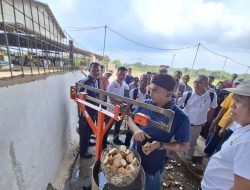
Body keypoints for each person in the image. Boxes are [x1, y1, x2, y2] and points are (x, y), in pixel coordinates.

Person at [128, 74, 191, 190]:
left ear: (169, 93)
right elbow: (130, 118)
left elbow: (184, 146)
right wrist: (137, 130)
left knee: (148, 184)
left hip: (153, 163)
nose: (150, 92)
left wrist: (160, 145)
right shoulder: (146, 104)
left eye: (154, 90)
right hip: (134, 155)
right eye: (150, 89)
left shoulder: (180, 117)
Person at [201, 80, 250, 190]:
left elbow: (242, 187)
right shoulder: (242, 127)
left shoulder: (247, 142)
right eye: (233, 99)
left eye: (238, 101)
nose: (232, 105)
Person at [178, 75, 217, 159]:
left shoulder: (212, 95)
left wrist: (205, 119)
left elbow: (213, 107)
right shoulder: (187, 94)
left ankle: (187, 161)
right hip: (182, 124)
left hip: (196, 127)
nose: (196, 84)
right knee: (176, 141)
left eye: (200, 82)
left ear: (206, 84)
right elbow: (176, 105)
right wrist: (177, 96)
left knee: (191, 145)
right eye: (195, 82)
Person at [204, 79, 243, 157]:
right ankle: (207, 154)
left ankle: (215, 156)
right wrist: (216, 119)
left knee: (224, 144)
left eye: (239, 84)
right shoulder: (231, 95)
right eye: (236, 84)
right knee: (215, 139)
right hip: (225, 121)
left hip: (234, 127)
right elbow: (224, 108)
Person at [78, 62, 100, 158]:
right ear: (89, 70)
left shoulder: (96, 81)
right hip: (85, 112)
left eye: (98, 70)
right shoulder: (84, 82)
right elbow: (77, 97)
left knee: (90, 129)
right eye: (93, 70)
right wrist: (83, 111)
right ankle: (83, 152)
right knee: (84, 131)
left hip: (93, 110)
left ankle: (88, 142)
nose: (96, 72)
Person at [106, 67, 129, 145]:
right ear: (117, 74)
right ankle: (103, 142)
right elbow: (112, 100)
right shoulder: (111, 85)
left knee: (118, 127)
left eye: (123, 74)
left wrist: (124, 105)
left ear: (126, 75)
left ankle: (116, 139)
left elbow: (126, 98)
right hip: (111, 111)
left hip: (120, 111)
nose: (122, 76)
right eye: (120, 74)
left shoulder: (126, 86)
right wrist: (123, 103)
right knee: (107, 128)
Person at [125, 74, 149, 147]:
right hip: (133, 115)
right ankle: (126, 148)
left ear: (148, 83)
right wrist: (128, 116)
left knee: (140, 134)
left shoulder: (149, 93)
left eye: (145, 81)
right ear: (139, 81)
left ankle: (136, 149)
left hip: (144, 117)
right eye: (141, 80)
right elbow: (128, 105)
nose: (143, 83)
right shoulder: (134, 91)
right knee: (129, 133)